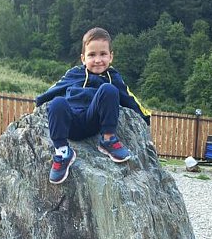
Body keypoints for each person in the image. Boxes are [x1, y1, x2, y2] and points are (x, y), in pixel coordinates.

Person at [35, 27, 150, 184]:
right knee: (57, 102)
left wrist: (145, 117)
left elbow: (129, 97)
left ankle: (108, 140)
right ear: (83, 58)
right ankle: (62, 152)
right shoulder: (74, 73)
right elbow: (53, 89)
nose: (97, 60)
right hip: (71, 123)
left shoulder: (113, 77)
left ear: (111, 56)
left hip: (93, 120)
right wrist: (39, 103)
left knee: (109, 89)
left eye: (103, 54)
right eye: (92, 55)